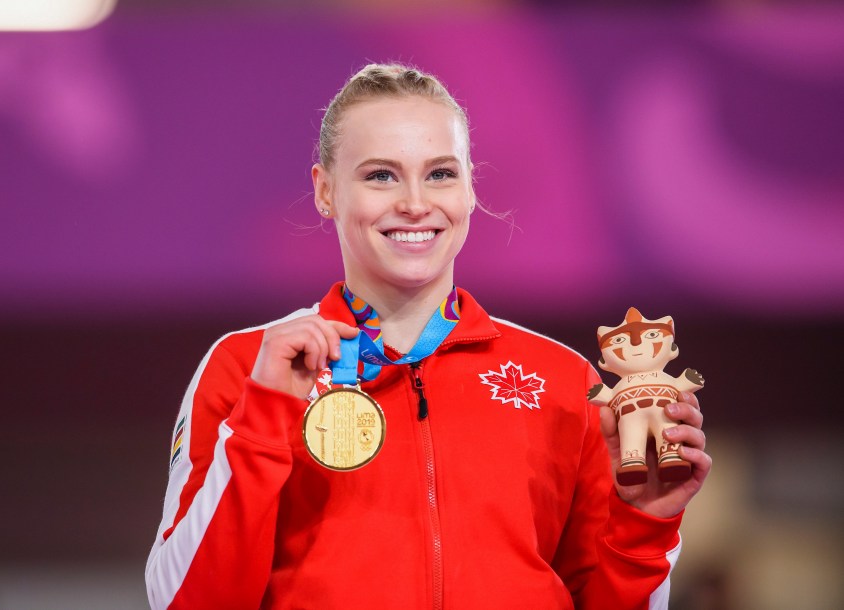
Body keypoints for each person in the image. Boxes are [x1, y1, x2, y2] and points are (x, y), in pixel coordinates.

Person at [145, 63, 711, 610]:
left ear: (469, 190)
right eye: (380, 175)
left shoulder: (561, 380)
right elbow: (185, 603)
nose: (415, 203)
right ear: (324, 191)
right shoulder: (249, 364)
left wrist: (645, 524)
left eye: (441, 173)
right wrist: (263, 417)